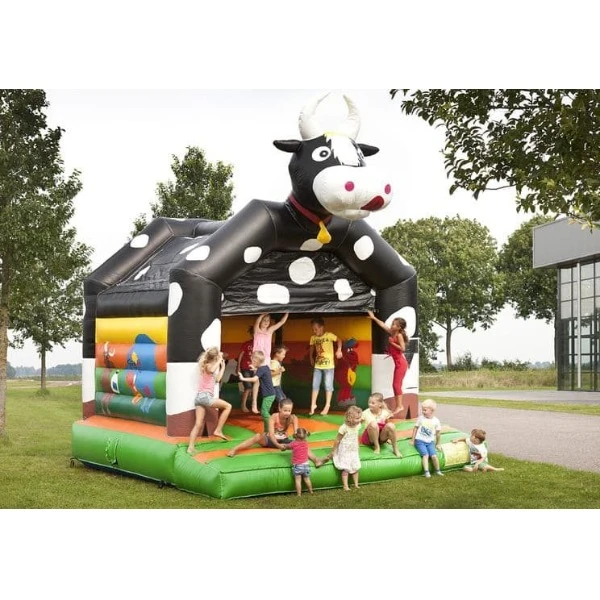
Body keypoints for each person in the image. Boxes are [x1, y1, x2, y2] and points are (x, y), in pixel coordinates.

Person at [187, 347, 232, 454]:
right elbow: (211, 369)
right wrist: (219, 359)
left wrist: (223, 367)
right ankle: (218, 430)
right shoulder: (208, 366)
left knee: (198, 424)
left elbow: (217, 379)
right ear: (215, 357)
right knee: (228, 406)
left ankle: (190, 447)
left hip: (199, 398)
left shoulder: (209, 367)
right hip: (205, 397)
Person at [366, 309, 409, 416]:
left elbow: (403, 348)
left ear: (399, 327)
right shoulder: (392, 332)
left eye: (394, 324)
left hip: (401, 363)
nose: (391, 325)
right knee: (395, 385)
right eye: (392, 323)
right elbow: (382, 325)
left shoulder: (399, 335)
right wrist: (374, 318)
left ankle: (400, 406)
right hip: (397, 363)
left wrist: (392, 343)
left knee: (396, 385)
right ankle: (398, 406)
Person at [227, 397, 302, 457]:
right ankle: (235, 449)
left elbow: (296, 433)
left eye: (289, 411)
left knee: (301, 443)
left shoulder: (293, 418)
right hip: (270, 440)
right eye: (285, 410)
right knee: (257, 436)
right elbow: (271, 434)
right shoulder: (274, 417)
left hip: (283, 441)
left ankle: (308, 459)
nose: (287, 413)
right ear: (280, 409)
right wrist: (278, 445)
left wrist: (298, 437)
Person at [251, 312, 289, 413]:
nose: (266, 322)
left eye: (267, 321)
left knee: (266, 382)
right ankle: (254, 403)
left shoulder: (270, 331)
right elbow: (257, 322)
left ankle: (266, 405)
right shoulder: (257, 330)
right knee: (256, 381)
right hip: (257, 358)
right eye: (264, 320)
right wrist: (262, 315)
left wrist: (287, 313)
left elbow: (281, 322)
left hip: (266, 359)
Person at [324, 405, 363, 491]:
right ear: (350, 418)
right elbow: (337, 440)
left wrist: (358, 447)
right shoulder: (344, 427)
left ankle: (356, 484)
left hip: (353, 449)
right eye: (357, 418)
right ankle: (345, 486)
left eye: (360, 418)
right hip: (345, 450)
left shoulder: (358, 425)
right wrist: (333, 450)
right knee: (346, 468)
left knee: (356, 466)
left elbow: (356, 437)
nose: (359, 420)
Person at [309, 317, 342, 416]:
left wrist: (339, 350)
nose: (314, 331)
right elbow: (311, 348)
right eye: (313, 329)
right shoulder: (313, 338)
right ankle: (313, 404)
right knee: (315, 385)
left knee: (328, 385)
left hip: (329, 366)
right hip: (318, 365)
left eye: (316, 329)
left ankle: (327, 405)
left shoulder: (329, 335)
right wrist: (311, 357)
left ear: (321, 327)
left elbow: (339, 340)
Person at [238, 350, 276, 431]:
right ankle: (267, 431)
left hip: (269, 395)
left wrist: (243, 378)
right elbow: (262, 372)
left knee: (264, 412)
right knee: (264, 412)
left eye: (252, 361)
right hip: (270, 394)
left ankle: (271, 428)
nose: (252, 362)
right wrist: (255, 368)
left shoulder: (261, 369)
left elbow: (254, 379)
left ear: (256, 361)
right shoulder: (265, 367)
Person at [279, 427, 321, 495]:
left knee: (298, 480)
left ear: (296, 435)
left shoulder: (293, 443)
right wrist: (306, 433)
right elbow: (307, 434)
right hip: (306, 465)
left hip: (297, 466)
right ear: (305, 436)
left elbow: (287, 447)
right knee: (307, 479)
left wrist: (283, 446)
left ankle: (299, 494)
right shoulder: (305, 442)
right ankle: (311, 491)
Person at [360, 392, 402, 457]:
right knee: (373, 424)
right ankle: (377, 447)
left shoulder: (385, 412)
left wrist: (388, 438)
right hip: (370, 438)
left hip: (381, 438)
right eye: (369, 402)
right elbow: (357, 424)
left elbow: (387, 425)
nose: (370, 404)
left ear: (380, 404)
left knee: (391, 425)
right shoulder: (365, 413)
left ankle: (395, 449)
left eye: (373, 403)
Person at [410, 398, 444, 478]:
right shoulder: (421, 418)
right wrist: (412, 440)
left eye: (425, 410)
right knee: (425, 455)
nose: (423, 411)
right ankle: (426, 472)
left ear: (431, 411)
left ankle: (438, 470)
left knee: (434, 456)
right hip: (420, 441)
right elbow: (415, 428)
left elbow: (438, 433)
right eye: (422, 409)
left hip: (430, 442)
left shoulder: (436, 421)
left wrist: (438, 443)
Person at [237, 325, 255, 413]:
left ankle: (253, 405)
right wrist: (238, 367)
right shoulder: (247, 343)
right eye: (253, 333)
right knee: (248, 387)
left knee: (255, 387)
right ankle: (243, 405)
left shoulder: (260, 343)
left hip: (255, 368)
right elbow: (241, 355)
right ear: (251, 334)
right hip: (245, 367)